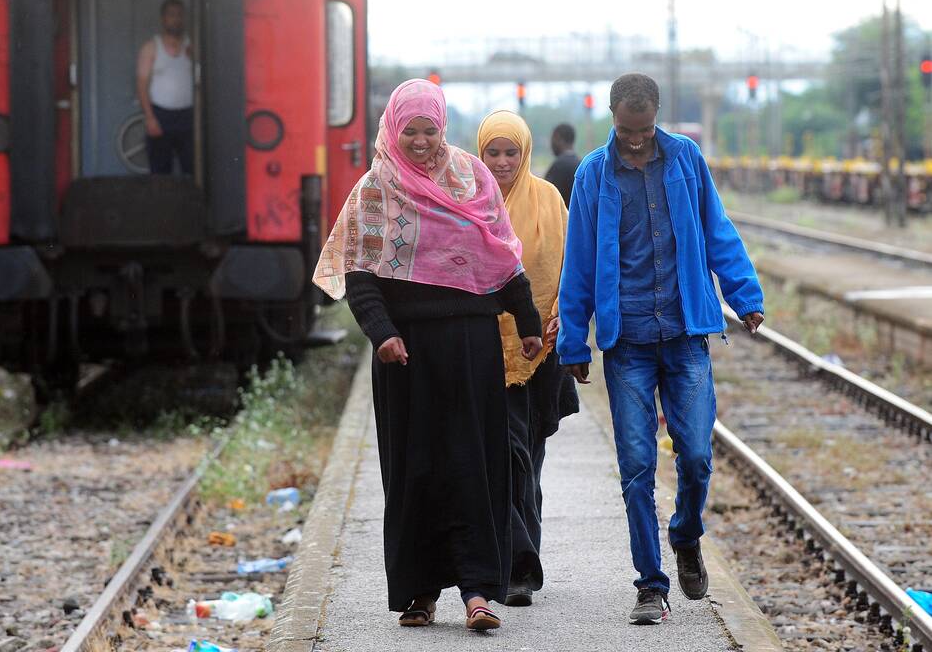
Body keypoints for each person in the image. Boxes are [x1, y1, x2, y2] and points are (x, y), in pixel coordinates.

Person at [314, 79, 542, 632]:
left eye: (429, 130)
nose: (419, 142)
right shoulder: (375, 188)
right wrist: (381, 332)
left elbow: (501, 254)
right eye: (409, 131)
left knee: (475, 464)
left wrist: (528, 322)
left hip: (471, 346)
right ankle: (419, 592)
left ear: (443, 129)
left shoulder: (471, 178)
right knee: (414, 470)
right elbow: (361, 271)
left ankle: (479, 591)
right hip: (406, 353)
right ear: (393, 130)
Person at [557, 73, 764, 626]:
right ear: (611, 119)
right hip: (627, 345)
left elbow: (716, 229)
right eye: (625, 131)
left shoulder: (686, 159)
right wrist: (572, 339)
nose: (634, 141)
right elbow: (577, 260)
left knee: (695, 456)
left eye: (643, 130)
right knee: (636, 467)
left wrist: (744, 295)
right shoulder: (592, 175)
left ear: (656, 119)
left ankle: (686, 536)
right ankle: (651, 585)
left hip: (685, 335)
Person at [476, 111, 579, 608]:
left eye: (510, 152)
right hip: (485, 350)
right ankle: (518, 566)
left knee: (529, 459)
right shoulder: (467, 200)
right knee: (506, 456)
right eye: (492, 152)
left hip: (544, 349)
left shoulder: (549, 200)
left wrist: (561, 324)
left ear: (526, 152)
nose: (501, 162)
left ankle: (524, 557)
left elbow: (568, 266)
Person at [136, 0, 194, 175]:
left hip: (188, 115)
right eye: (171, 15)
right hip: (160, 115)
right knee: (160, 171)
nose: (176, 19)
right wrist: (150, 117)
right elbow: (141, 84)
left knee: (191, 169)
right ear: (163, 19)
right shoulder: (151, 47)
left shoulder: (192, 46)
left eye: (179, 15)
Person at [544, 123, 579, 207]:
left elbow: (546, 197)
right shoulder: (580, 162)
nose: (551, 144)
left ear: (558, 138)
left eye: (552, 139)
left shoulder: (559, 166)